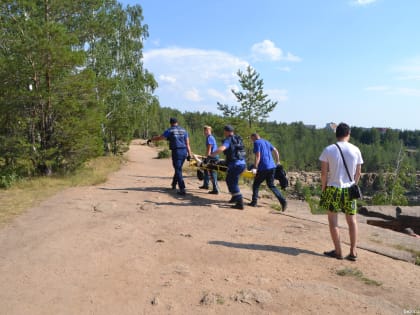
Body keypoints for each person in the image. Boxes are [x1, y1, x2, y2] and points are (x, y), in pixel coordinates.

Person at [319, 122, 363, 261]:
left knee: (333, 220)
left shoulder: (328, 150)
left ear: (336, 134)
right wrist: (354, 185)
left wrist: (323, 188)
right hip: (349, 189)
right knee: (352, 221)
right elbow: (358, 173)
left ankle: (338, 251)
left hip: (333, 188)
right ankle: (353, 252)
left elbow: (324, 173)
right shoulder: (355, 149)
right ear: (348, 134)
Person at [151, 117, 192, 196]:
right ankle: (173, 184)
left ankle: (182, 189)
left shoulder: (170, 130)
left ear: (170, 123)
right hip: (184, 151)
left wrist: (152, 139)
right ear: (177, 122)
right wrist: (189, 154)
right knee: (178, 168)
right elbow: (187, 143)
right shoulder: (184, 130)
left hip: (176, 151)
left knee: (178, 170)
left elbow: (160, 138)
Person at [210, 125, 246, 209]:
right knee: (232, 181)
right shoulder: (238, 139)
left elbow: (222, 148)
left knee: (231, 181)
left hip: (235, 164)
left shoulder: (229, 140)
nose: (224, 133)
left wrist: (211, 155)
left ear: (227, 131)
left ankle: (240, 202)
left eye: (224, 131)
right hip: (242, 164)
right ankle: (234, 197)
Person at [249, 133, 287, 211]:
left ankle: (254, 202)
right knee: (271, 185)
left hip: (263, 167)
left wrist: (255, 167)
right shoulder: (266, 141)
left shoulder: (256, 143)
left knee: (256, 184)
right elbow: (276, 150)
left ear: (254, 137)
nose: (252, 141)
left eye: (252, 139)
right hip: (272, 167)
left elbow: (258, 156)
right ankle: (283, 201)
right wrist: (278, 161)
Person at [199, 125, 219, 194]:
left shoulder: (210, 137)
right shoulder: (209, 137)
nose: (206, 132)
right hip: (211, 156)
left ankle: (216, 189)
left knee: (212, 172)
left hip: (213, 157)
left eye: (207, 130)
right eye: (205, 130)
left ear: (210, 131)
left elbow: (209, 148)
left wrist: (206, 158)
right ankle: (206, 185)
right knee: (205, 169)